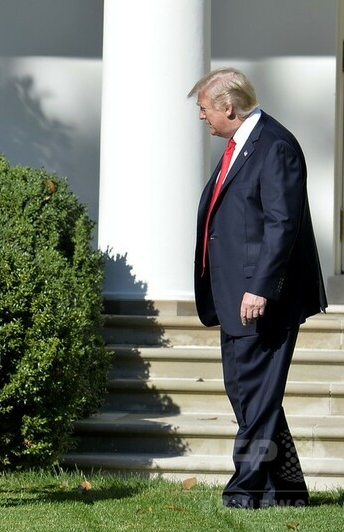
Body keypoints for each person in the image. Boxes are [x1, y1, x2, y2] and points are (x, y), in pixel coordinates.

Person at [189, 67, 327, 509]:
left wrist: (261, 288)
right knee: (251, 395)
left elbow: (282, 224)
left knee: (256, 396)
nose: (202, 118)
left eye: (205, 109)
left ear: (227, 107)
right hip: (234, 296)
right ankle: (285, 490)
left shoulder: (275, 146)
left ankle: (244, 491)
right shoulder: (241, 145)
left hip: (262, 299)